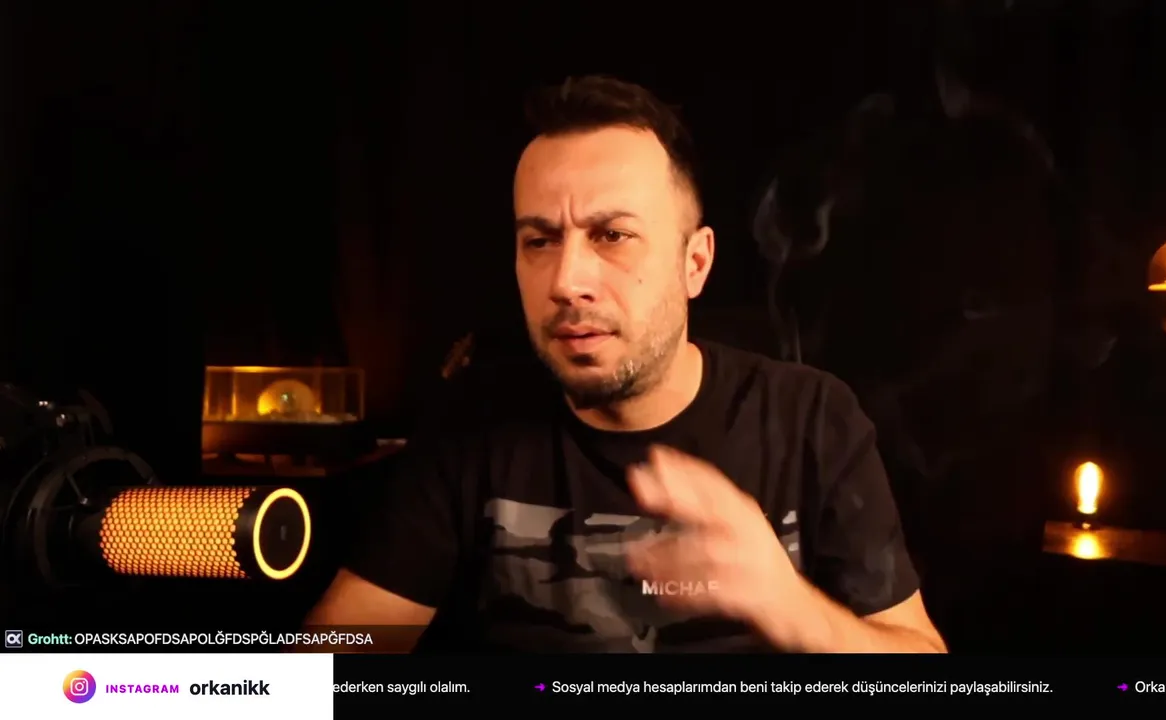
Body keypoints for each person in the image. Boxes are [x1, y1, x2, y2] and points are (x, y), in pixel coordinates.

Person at [306, 75, 944, 653]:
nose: (566, 281)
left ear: (695, 263)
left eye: (612, 236)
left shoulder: (810, 420)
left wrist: (790, 605)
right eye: (539, 240)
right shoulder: (473, 422)